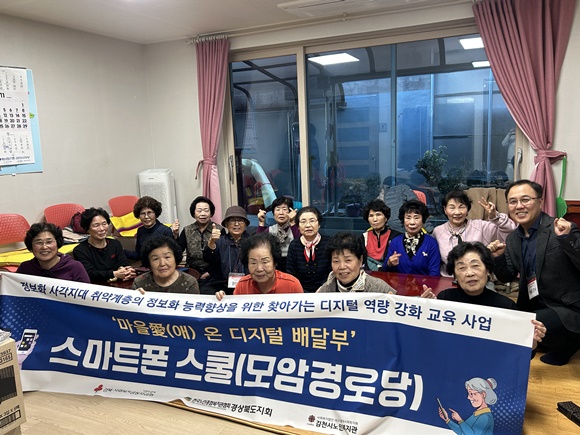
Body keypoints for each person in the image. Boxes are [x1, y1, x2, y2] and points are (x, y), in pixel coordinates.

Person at [488, 180, 580, 366]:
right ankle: (556, 340)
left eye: (525, 199)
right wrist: (498, 257)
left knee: (522, 328)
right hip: (533, 304)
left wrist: (567, 238)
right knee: (503, 319)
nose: (519, 206)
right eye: (513, 201)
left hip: (567, 307)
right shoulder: (513, 239)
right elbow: (506, 276)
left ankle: (570, 342)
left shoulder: (560, 228)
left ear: (540, 201)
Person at [421, 242, 546, 347]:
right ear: (455, 275)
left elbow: (522, 353)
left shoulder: (506, 307)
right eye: (462, 268)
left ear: (488, 270)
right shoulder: (445, 299)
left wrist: (532, 340)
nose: (470, 273)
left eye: (475, 266)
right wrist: (425, 312)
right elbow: (430, 341)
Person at [432, 190, 516, 277]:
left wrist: (495, 216)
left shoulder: (481, 226)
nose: (457, 212)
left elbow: (510, 232)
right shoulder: (437, 232)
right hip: (447, 279)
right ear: (445, 210)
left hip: (477, 279)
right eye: (452, 208)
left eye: (461, 207)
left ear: (467, 209)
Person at [215, 233, 303, 300]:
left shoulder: (292, 285)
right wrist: (225, 301)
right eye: (253, 263)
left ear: (275, 262)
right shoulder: (242, 285)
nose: (259, 269)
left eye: (265, 262)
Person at [317, 232, 396, 294]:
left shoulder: (379, 288)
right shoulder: (326, 289)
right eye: (336, 261)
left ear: (360, 260)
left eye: (348, 260)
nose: (342, 267)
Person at [73, 207, 136, 283]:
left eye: (104, 224)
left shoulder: (115, 244)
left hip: (119, 283)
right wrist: (114, 274)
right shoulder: (80, 250)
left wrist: (126, 270)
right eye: (96, 225)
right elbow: (90, 274)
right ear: (87, 228)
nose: (102, 229)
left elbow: (123, 262)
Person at [17, 222, 90, 283]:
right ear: (31, 246)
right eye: (39, 243)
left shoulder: (75, 267)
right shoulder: (25, 268)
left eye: (49, 242)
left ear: (58, 243)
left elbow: (86, 293)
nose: (44, 247)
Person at [383, 199, 440, 276]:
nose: (412, 222)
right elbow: (385, 270)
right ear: (403, 220)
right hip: (399, 284)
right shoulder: (395, 242)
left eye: (416, 218)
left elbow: (434, 273)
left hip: (425, 284)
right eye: (408, 218)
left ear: (423, 220)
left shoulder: (431, 243)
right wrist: (389, 263)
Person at [203, 205, 250, 294]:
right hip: (222, 285)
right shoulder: (219, 241)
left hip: (248, 285)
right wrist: (211, 242)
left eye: (240, 220)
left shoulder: (252, 242)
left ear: (245, 224)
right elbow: (208, 259)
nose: (237, 224)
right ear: (226, 224)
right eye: (232, 220)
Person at [175, 196, 224, 283]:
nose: (203, 214)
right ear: (193, 213)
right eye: (199, 211)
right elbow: (177, 252)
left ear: (211, 213)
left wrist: (210, 272)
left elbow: (223, 256)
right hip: (192, 272)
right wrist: (175, 235)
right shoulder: (187, 230)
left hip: (213, 273)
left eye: (206, 210)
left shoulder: (219, 230)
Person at [286, 206, 331, 293]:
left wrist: (322, 290)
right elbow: (291, 273)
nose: (308, 225)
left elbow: (331, 272)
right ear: (298, 226)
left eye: (312, 221)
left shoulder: (329, 243)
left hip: (325, 292)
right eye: (303, 222)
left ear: (319, 224)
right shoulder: (294, 245)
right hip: (300, 293)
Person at [132, 237, 199, 294]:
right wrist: (134, 297)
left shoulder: (189, 283)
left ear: (175, 258)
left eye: (167, 257)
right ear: (149, 263)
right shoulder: (139, 283)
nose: (162, 263)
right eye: (155, 259)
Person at [256, 196, 299, 272]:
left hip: (293, 264)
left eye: (284, 209)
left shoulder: (295, 228)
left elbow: (299, 245)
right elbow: (259, 244)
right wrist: (261, 222)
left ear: (290, 212)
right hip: (274, 265)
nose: (281, 213)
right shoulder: (270, 229)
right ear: (273, 213)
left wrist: (293, 222)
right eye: (277, 209)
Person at [125, 196, 174, 260]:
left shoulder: (166, 231)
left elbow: (170, 256)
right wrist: (121, 250)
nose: (146, 217)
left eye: (149, 213)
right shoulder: (140, 230)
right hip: (144, 265)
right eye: (143, 213)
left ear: (155, 214)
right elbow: (138, 255)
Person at [361, 199, 401, 271]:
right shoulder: (364, 237)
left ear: (386, 218)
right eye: (371, 216)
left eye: (378, 215)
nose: (375, 219)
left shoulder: (397, 236)